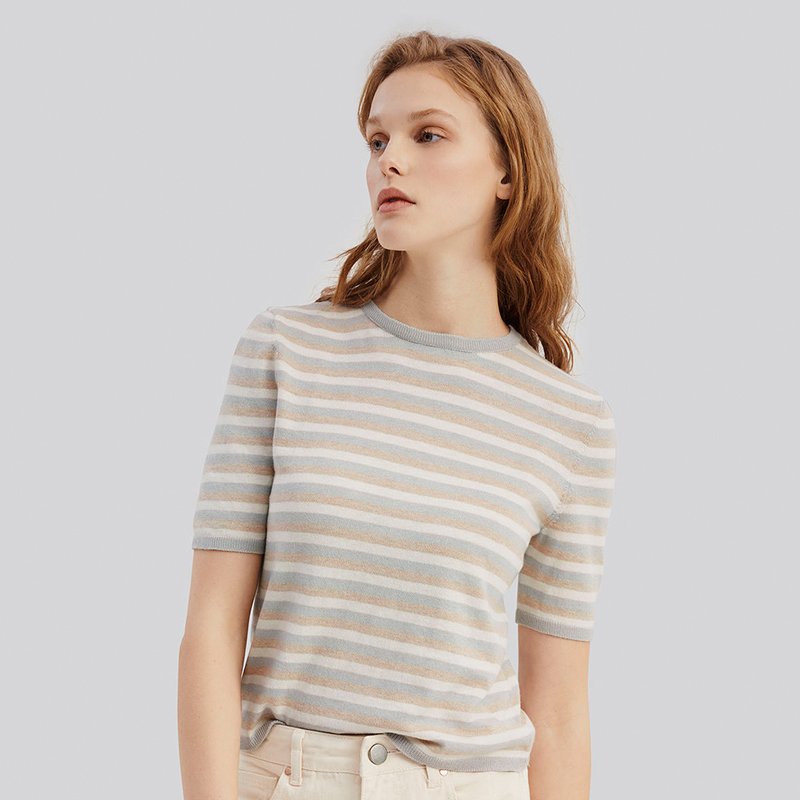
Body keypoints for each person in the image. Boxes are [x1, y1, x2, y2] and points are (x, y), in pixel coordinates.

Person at [178, 29, 617, 800]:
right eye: (378, 139)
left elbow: (557, 709)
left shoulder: (568, 421)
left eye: (428, 135)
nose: (390, 160)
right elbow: (213, 628)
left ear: (509, 170)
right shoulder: (286, 350)